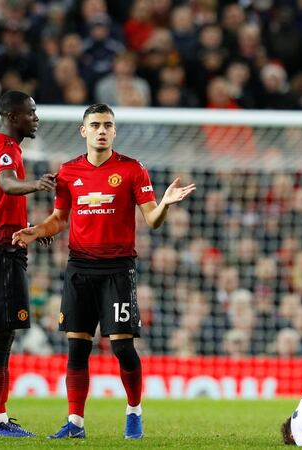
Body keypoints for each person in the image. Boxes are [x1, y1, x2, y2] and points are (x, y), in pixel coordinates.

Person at [12, 103, 195, 439]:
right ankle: (75, 424)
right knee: (77, 348)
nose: (101, 130)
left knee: (123, 347)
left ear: (114, 131)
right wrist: (35, 231)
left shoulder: (132, 169)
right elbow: (59, 220)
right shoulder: (67, 172)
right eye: (95, 124)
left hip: (117, 270)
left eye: (107, 125)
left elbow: (152, 220)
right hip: (79, 268)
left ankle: (134, 412)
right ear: (83, 131)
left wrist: (165, 203)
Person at [0, 90, 56, 438]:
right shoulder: (4, 149)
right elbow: (6, 185)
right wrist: (36, 184)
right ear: (11, 115)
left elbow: (3, 201)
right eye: (30, 113)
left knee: (4, 336)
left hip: (4, 247)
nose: (35, 118)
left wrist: (34, 229)